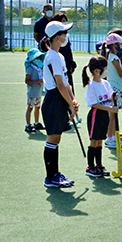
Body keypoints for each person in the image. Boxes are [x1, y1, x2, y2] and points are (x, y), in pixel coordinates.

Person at [41, 20, 79, 188]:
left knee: (56, 139)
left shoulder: (59, 56)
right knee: (53, 138)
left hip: (59, 98)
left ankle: (55, 174)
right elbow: (60, 84)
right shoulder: (53, 57)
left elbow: (66, 82)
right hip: (54, 100)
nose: (66, 36)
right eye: (64, 33)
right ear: (56, 37)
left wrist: (73, 99)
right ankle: (51, 177)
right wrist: (70, 104)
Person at [82, 56, 117, 177]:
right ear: (97, 71)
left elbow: (109, 97)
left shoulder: (105, 83)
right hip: (95, 115)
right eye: (105, 68)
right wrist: (110, 109)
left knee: (100, 141)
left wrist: (114, 97)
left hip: (104, 116)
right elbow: (94, 104)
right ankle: (90, 167)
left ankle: (99, 165)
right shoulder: (91, 86)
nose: (107, 70)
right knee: (94, 141)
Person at [102, 33, 122, 149]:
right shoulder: (114, 57)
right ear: (114, 45)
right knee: (112, 114)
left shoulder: (113, 57)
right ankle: (110, 138)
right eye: (120, 44)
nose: (121, 46)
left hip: (116, 87)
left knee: (113, 113)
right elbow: (120, 73)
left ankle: (111, 137)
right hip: (114, 89)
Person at [50, 13, 77, 91]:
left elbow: (69, 51)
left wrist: (71, 64)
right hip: (63, 67)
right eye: (63, 21)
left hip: (67, 67)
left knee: (69, 87)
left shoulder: (65, 37)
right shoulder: (56, 45)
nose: (65, 23)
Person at [24, 48, 45, 133]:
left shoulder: (38, 67)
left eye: (39, 58)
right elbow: (27, 81)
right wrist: (38, 81)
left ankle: (36, 122)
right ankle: (28, 124)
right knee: (30, 108)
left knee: (37, 107)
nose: (38, 60)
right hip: (32, 92)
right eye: (36, 58)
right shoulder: (30, 68)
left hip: (38, 92)